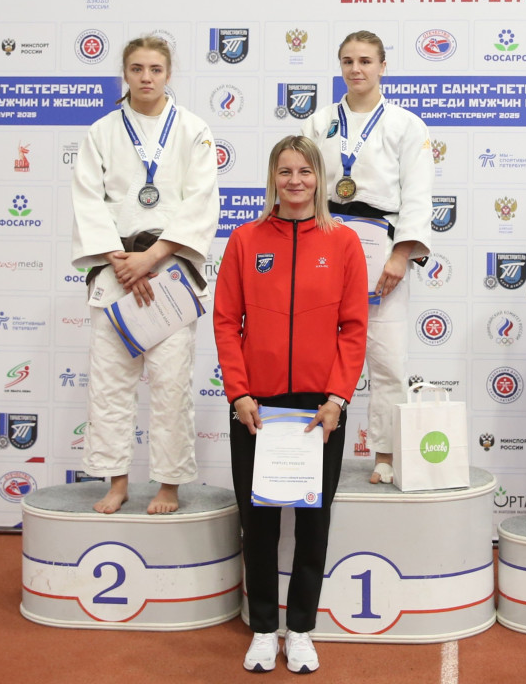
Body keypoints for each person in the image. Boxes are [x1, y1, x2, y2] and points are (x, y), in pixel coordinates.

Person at [213, 136, 368, 674]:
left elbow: (354, 328)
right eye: (285, 171)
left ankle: (300, 628)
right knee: (257, 521)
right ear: (272, 178)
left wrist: (337, 398)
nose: (295, 181)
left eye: (305, 171)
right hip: (255, 405)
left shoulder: (344, 242)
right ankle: (262, 628)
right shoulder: (244, 239)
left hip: (319, 408)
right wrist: (238, 392)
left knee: (312, 521)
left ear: (319, 178)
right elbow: (225, 323)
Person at [70, 35, 218, 515]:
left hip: (167, 272)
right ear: (125, 74)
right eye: (137, 69)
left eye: (155, 69)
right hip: (116, 273)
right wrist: (120, 260)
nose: (146, 77)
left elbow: (200, 201)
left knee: (171, 387)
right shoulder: (102, 131)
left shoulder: (193, 130)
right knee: (110, 385)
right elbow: (88, 200)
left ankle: (168, 485)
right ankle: (116, 482)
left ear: (168, 74)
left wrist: (151, 258)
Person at [302, 30, 433, 485]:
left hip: (383, 245)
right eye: (347, 61)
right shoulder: (319, 122)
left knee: (388, 358)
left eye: (365, 61)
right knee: (317, 355)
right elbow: (302, 184)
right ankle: (310, 447)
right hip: (327, 240)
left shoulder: (405, 124)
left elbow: (418, 194)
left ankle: (385, 454)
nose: (355, 69)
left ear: (382, 66)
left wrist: (401, 254)